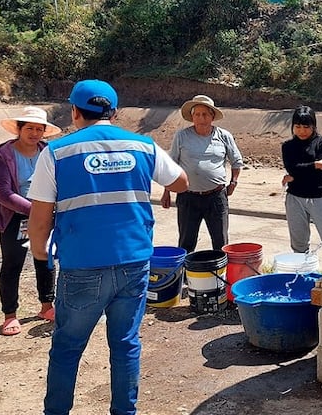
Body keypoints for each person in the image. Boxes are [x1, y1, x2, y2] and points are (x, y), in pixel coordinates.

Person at [28, 79, 188, 415]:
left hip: (82, 266)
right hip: (133, 263)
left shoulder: (56, 153)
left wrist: (41, 254)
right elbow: (181, 182)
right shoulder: (144, 146)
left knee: (67, 348)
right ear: (113, 112)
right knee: (125, 345)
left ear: (75, 112)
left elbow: (40, 218)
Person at [0, 106, 61, 336]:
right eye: (29, 128)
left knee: (45, 260)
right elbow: (3, 193)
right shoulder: (3, 156)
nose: (34, 133)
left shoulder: (49, 153)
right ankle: (10, 314)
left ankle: (46, 307)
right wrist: (36, 210)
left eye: (39, 129)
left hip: (46, 215)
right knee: (12, 264)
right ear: (19, 129)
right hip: (15, 216)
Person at [161, 94, 243, 253]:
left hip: (216, 197)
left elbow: (236, 161)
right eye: (197, 114)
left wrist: (233, 182)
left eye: (205, 114)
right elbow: (172, 164)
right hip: (188, 197)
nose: (201, 118)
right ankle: (185, 276)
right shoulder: (182, 136)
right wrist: (167, 191)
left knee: (220, 241)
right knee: (186, 241)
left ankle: (222, 276)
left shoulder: (223, 136)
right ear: (192, 117)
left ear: (212, 116)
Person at [281, 106, 322, 270]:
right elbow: (292, 168)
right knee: (299, 246)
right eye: (298, 127)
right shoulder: (287, 146)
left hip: (321, 198)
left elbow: (319, 171)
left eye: (306, 127)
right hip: (295, 199)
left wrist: (297, 173)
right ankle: (303, 278)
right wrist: (315, 165)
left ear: (314, 126)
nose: (302, 131)